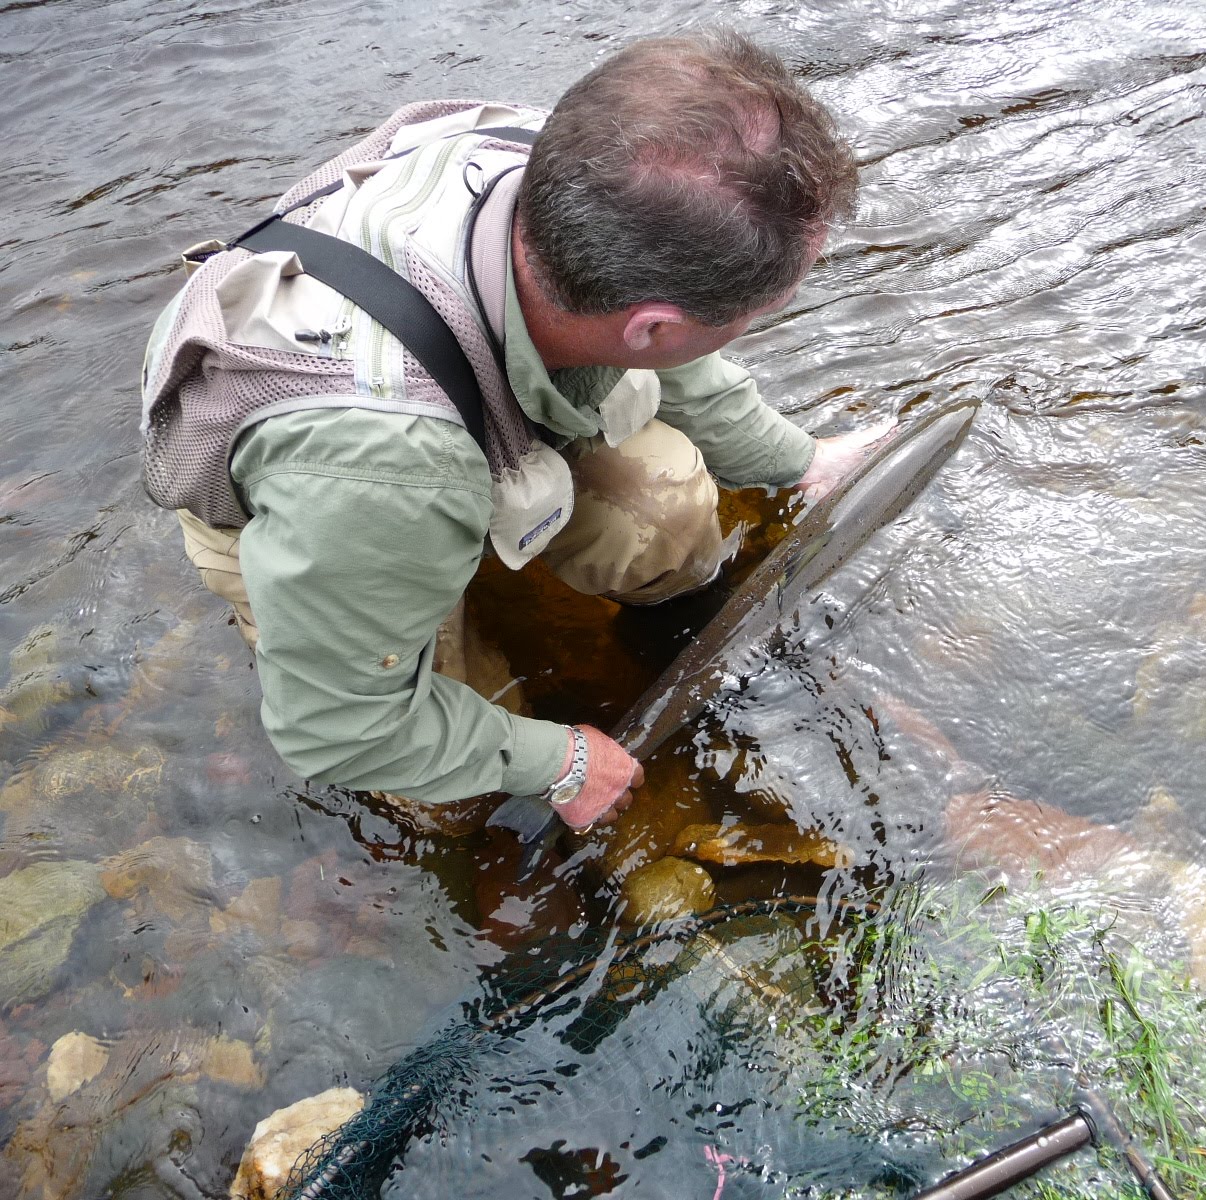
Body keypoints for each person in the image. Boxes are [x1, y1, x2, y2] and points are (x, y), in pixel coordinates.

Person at [140, 31, 877, 841]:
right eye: (751, 317)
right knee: (452, 803)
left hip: (440, 425)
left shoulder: (588, 166)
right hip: (332, 477)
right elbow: (334, 729)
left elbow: (684, 355)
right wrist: (556, 762)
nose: (745, 328)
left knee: (668, 522)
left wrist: (805, 462)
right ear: (653, 328)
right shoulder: (380, 472)